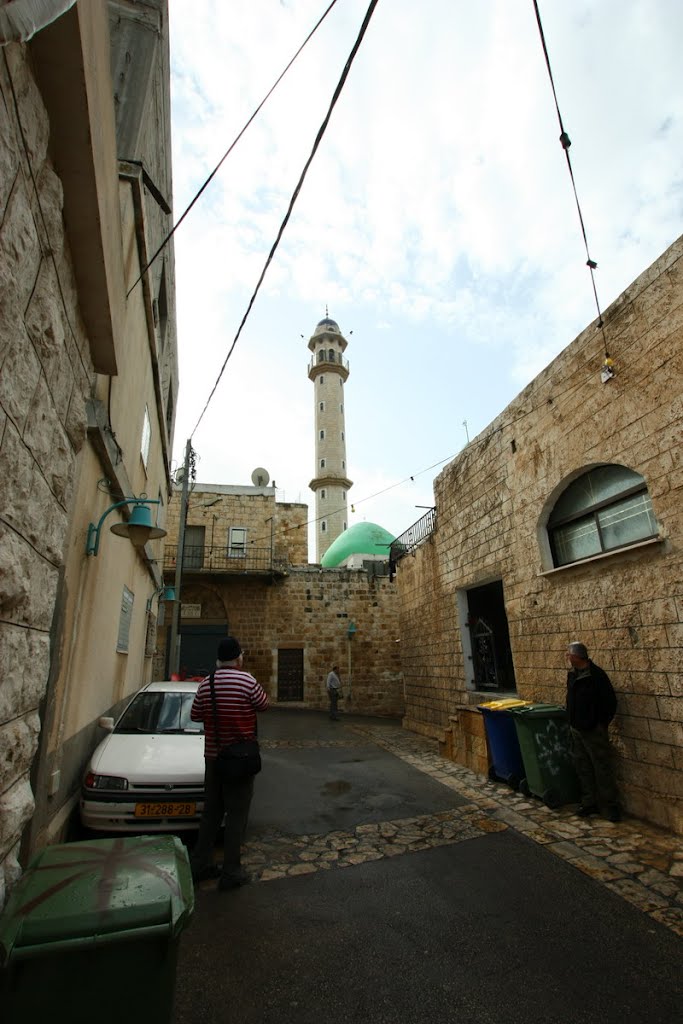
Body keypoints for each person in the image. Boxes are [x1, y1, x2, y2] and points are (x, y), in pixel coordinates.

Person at [190, 637, 268, 890]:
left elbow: (195, 715)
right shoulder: (247, 681)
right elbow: (263, 704)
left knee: (211, 813)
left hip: (213, 758)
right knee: (236, 814)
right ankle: (231, 870)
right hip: (240, 759)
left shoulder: (207, 683)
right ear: (238, 658)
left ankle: (201, 864)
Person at [565, 641, 620, 822]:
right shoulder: (572, 675)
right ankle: (589, 802)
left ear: (577, 657)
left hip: (592, 730)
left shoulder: (596, 676)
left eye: (569, 655)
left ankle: (610, 807)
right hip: (576, 729)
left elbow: (609, 702)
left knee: (601, 768)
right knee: (583, 767)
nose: (568, 658)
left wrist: (600, 724)